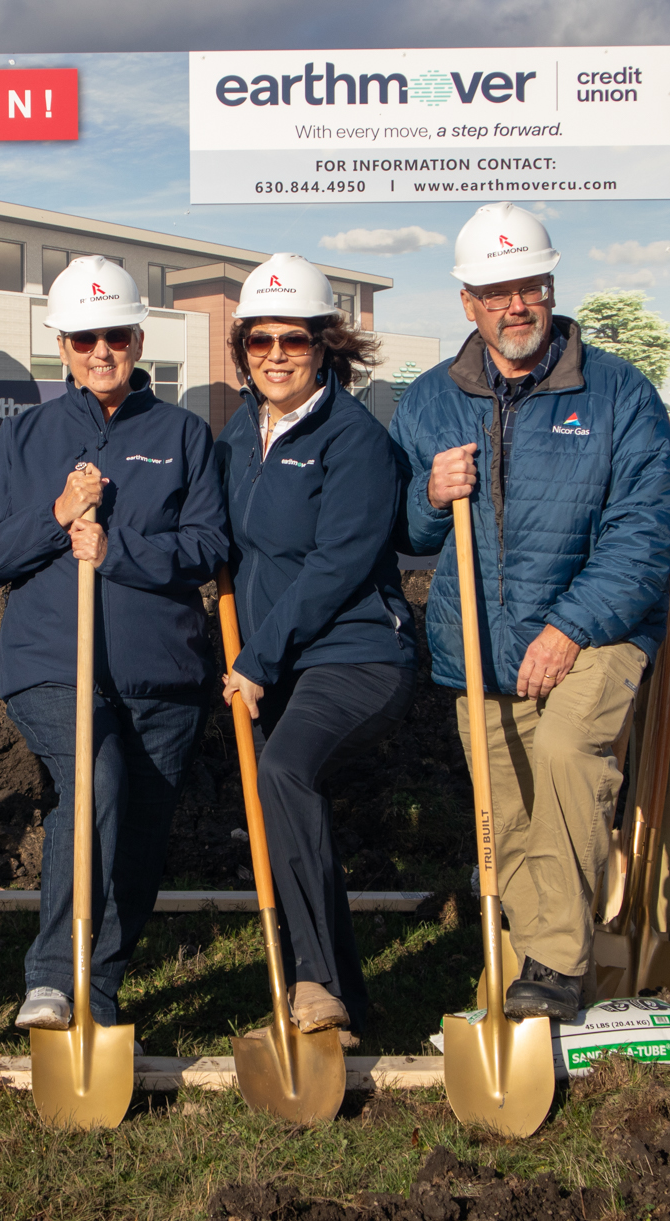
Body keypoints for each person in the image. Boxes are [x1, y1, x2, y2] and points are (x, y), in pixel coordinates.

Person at [391, 201, 670, 1022]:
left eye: (531, 286)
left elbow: (648, 530)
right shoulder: (428, 403)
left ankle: (554, 965)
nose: (516, 305)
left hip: (597, 630)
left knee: (561, 753)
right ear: (468, 302)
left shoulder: (619, 393)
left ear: (551, 289)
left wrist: (571, 627)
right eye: (497, 291)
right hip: (479, 640)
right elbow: (403, 532)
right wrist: (427, 492)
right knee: (506, 807)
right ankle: (536, 959)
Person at [0, 256, 228, 1036]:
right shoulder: (29, 435)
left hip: (163, 673)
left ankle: (97, 991)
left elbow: (210, 543)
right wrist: (57, 513)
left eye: (114, 335)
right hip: (53, 663)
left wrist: (121, 550)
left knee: (139, 843)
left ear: (139, 338)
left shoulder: (180, 434)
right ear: (63, 347)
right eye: (84, 339)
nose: (100, 351)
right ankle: (50, 974)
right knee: (95, 781)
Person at [216, 254, 417, 1040]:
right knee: (291, 809)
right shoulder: (238, 432)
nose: (274, 354)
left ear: (324, 345)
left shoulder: (354, 439)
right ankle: (342, 1004)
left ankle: (314, 980)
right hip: (278, 660)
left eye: (293, 340)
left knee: (284, 770)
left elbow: (337, 565)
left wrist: (257, 660)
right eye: (259, 338)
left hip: (358, 654)